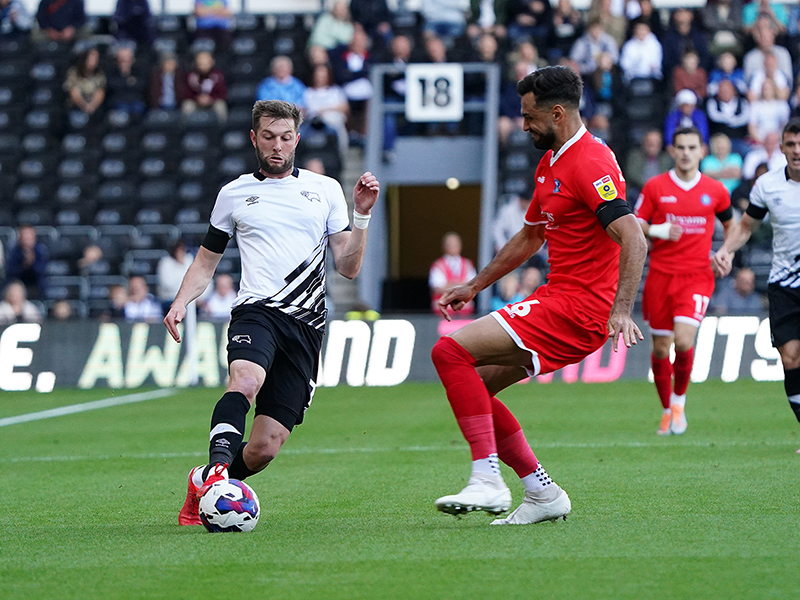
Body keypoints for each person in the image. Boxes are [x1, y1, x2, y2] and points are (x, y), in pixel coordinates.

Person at [430, 66, 647, 524]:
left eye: (529, 117)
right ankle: (541, 492)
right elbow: (530, 237)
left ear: (557, 113)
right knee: (477, 387)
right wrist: (474, 285)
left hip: (578, 308)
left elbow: (634, 237)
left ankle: (487, 478)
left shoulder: (590, 162)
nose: (523, 125)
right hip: (559, 300)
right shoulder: (552, 162)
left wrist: (621, 311)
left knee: (449, 352)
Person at [164, 100, 380, 526]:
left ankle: (206, 482)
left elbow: (348, 266)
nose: (277, 146)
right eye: (268, 137)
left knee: (264, 448)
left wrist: (362, 215)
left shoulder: (325, 189)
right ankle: (217, 475)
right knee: (245, 379)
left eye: (285, 138)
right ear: (254, 139)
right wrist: (179, 301)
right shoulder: (234, 193)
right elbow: (206, 262)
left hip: (306, 326)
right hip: (256, 312)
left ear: (297, 139)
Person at [634, 126, 733, 435]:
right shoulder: (655, 186)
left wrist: (726, 253)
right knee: (662, 348)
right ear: (672, 151)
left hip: (697, 276)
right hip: (661, 276)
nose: (687, 153)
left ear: (701, 151)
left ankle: (679, 402)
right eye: (681, 147)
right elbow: (636, 223)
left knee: (684, 340)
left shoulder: (715, 190)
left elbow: (733, 225)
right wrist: (659, 230)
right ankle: (666, 410)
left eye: (693, 147)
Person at [713, 118, 800, 453]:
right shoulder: (767, 185)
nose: (796, 150)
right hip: (784, 284)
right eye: (790, 144)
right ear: (781, 148)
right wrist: (725, 249)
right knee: (790, 357)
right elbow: (746, 226)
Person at [429, 232, 477, 315]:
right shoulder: (438, 265)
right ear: (444, 247)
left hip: (465, 309)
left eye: (455, 245)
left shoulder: (467, 264)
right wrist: (461, 286)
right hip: (443, 309)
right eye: (449, 245)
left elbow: (473, 285)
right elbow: (437, 288)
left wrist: (450, 285)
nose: (453, 247)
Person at [625, 129, 673, 199]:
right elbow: (632, 174)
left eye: (656, 142)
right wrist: (649, 187)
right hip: (639, 190)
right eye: (649, 141)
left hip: (661, 191)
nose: (652, 144)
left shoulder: (666, 158)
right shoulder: (634, 155)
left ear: (660, 144)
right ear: (644, 143)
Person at [182, 50, 227, 123]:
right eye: (201, 63)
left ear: (211, 62)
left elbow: (222, 93)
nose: (203, 66)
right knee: (187, 106)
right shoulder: (190, 76)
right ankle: (186, 129)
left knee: (220, 106)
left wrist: (211, 99)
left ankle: (222, 128)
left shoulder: (218, 75)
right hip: (196, 102)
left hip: (213, 101)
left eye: (206, 63)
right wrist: (197, 98)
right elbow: (186, 93)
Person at [5, 224, 48, 300]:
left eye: (29, 235)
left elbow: (42, 271)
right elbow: (10, 271)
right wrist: (24, 265)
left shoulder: (41, 250)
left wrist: (32, 263)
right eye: (24, 235)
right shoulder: (14, 252)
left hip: (36, 286)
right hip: (18, 284)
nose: (26, 238)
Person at [63, 47, 105, 119]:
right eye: (91, 58)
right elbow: (73, 91)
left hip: (93, 105)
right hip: (76, 106)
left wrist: (92, 106)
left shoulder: (99, 73)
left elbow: (100, 91)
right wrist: (84, 105)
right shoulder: (74, 72)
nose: (94, 61)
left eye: (96, 59)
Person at [106, 44, 147, 115]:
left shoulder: (139, 72)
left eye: (127, 59)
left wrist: (123, 82)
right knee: (121, 109)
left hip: (135, 101)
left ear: (132, 60)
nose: (125, 62)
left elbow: (142, 85)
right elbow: (111, 85)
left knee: (138, 108)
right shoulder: (111, 72)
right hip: (118, 102)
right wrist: (127, 80)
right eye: (122, 60)